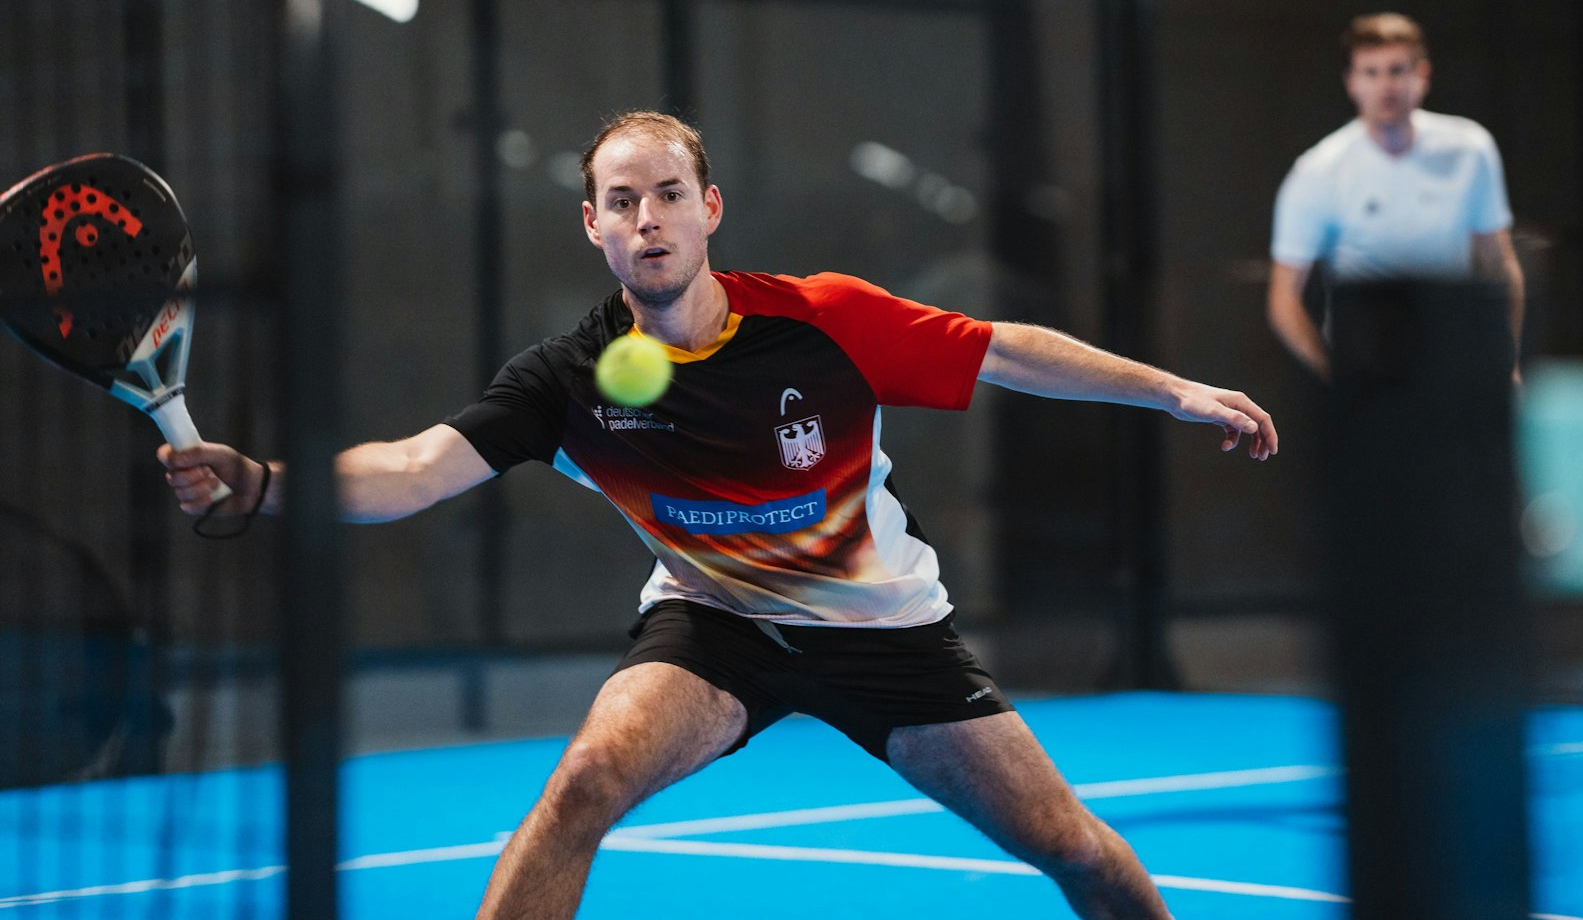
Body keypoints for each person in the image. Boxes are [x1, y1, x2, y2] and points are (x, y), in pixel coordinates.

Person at [159, 111, 1277, 920]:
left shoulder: (822, 322)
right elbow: (410, 470)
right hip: (713, 629)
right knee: (583, 784)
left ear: (709, 211)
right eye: (621, 201)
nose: (646, 220)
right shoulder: (568, 378)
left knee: (1071, 851)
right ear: (590, 224)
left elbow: (1004, 351)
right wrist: (262, 482)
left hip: (886, 636)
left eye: (667, 196)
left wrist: (1170, 389)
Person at [1266, 12, 1524, 381]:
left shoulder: (1472, 149)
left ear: (1423, 76)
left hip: (1456, 358)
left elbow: (1498, 264)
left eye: (1397, 70)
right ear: (1351, 83)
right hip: (1367, 365)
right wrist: (1338, 381)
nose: (1385, 85)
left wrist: (1506, 360)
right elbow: (1284, 300)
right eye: (1370, 72)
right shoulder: (1317, 171)